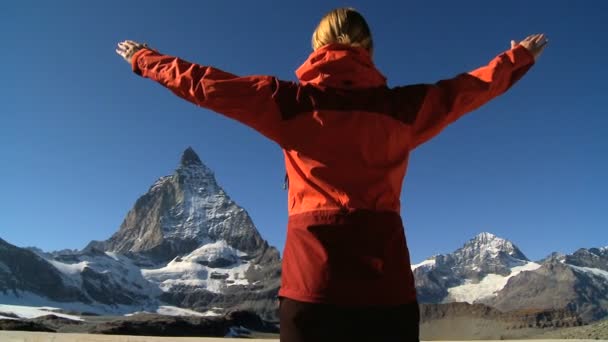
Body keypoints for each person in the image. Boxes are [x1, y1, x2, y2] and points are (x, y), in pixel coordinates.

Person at [116, 7, 547, 342]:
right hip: (387, 287)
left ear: (317, 46)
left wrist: (145, 59)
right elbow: (467, 91)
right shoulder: (404, 109)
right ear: (369, 50)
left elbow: (206, 84)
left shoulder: (287, 102)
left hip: (312, 287)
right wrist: (516, 58)